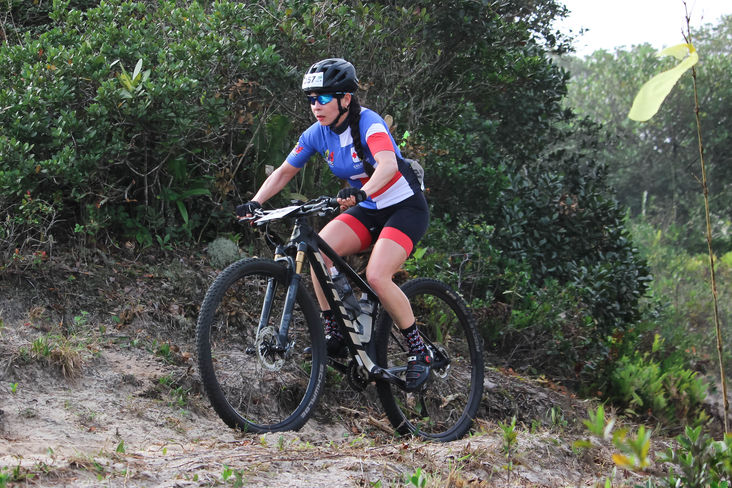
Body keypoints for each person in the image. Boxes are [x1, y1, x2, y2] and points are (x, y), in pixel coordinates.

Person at [236, 58, 431, 391]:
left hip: (404, 207)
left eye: (323, 98)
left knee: (377, 275)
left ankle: (418, 349)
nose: (316, 106)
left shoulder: (368, 124)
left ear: (345, 98)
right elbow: (284, 171)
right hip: (368, 207)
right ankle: (336, 331)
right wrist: (255, 203)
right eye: (311, 99)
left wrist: (361, 192)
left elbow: (386, 167)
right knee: (319, 253)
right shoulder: (317, 134)